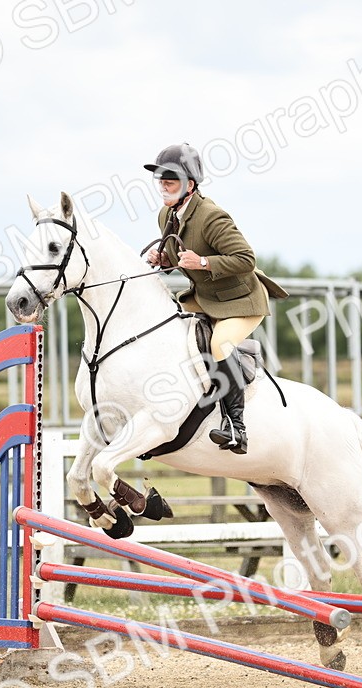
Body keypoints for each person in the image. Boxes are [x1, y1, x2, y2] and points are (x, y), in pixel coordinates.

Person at [144, 143, 287, 455]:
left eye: (170, 180)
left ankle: (237, 426)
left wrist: (205, 263)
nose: (163, 186)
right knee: (164, 327)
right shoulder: (165, 215)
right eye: (161, 180)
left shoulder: (212, 217)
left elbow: (245, 259)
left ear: (190, 185)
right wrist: (165, 260)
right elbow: (181, 256)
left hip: (241, 301)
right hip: (206, 298)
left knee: (219, 344)